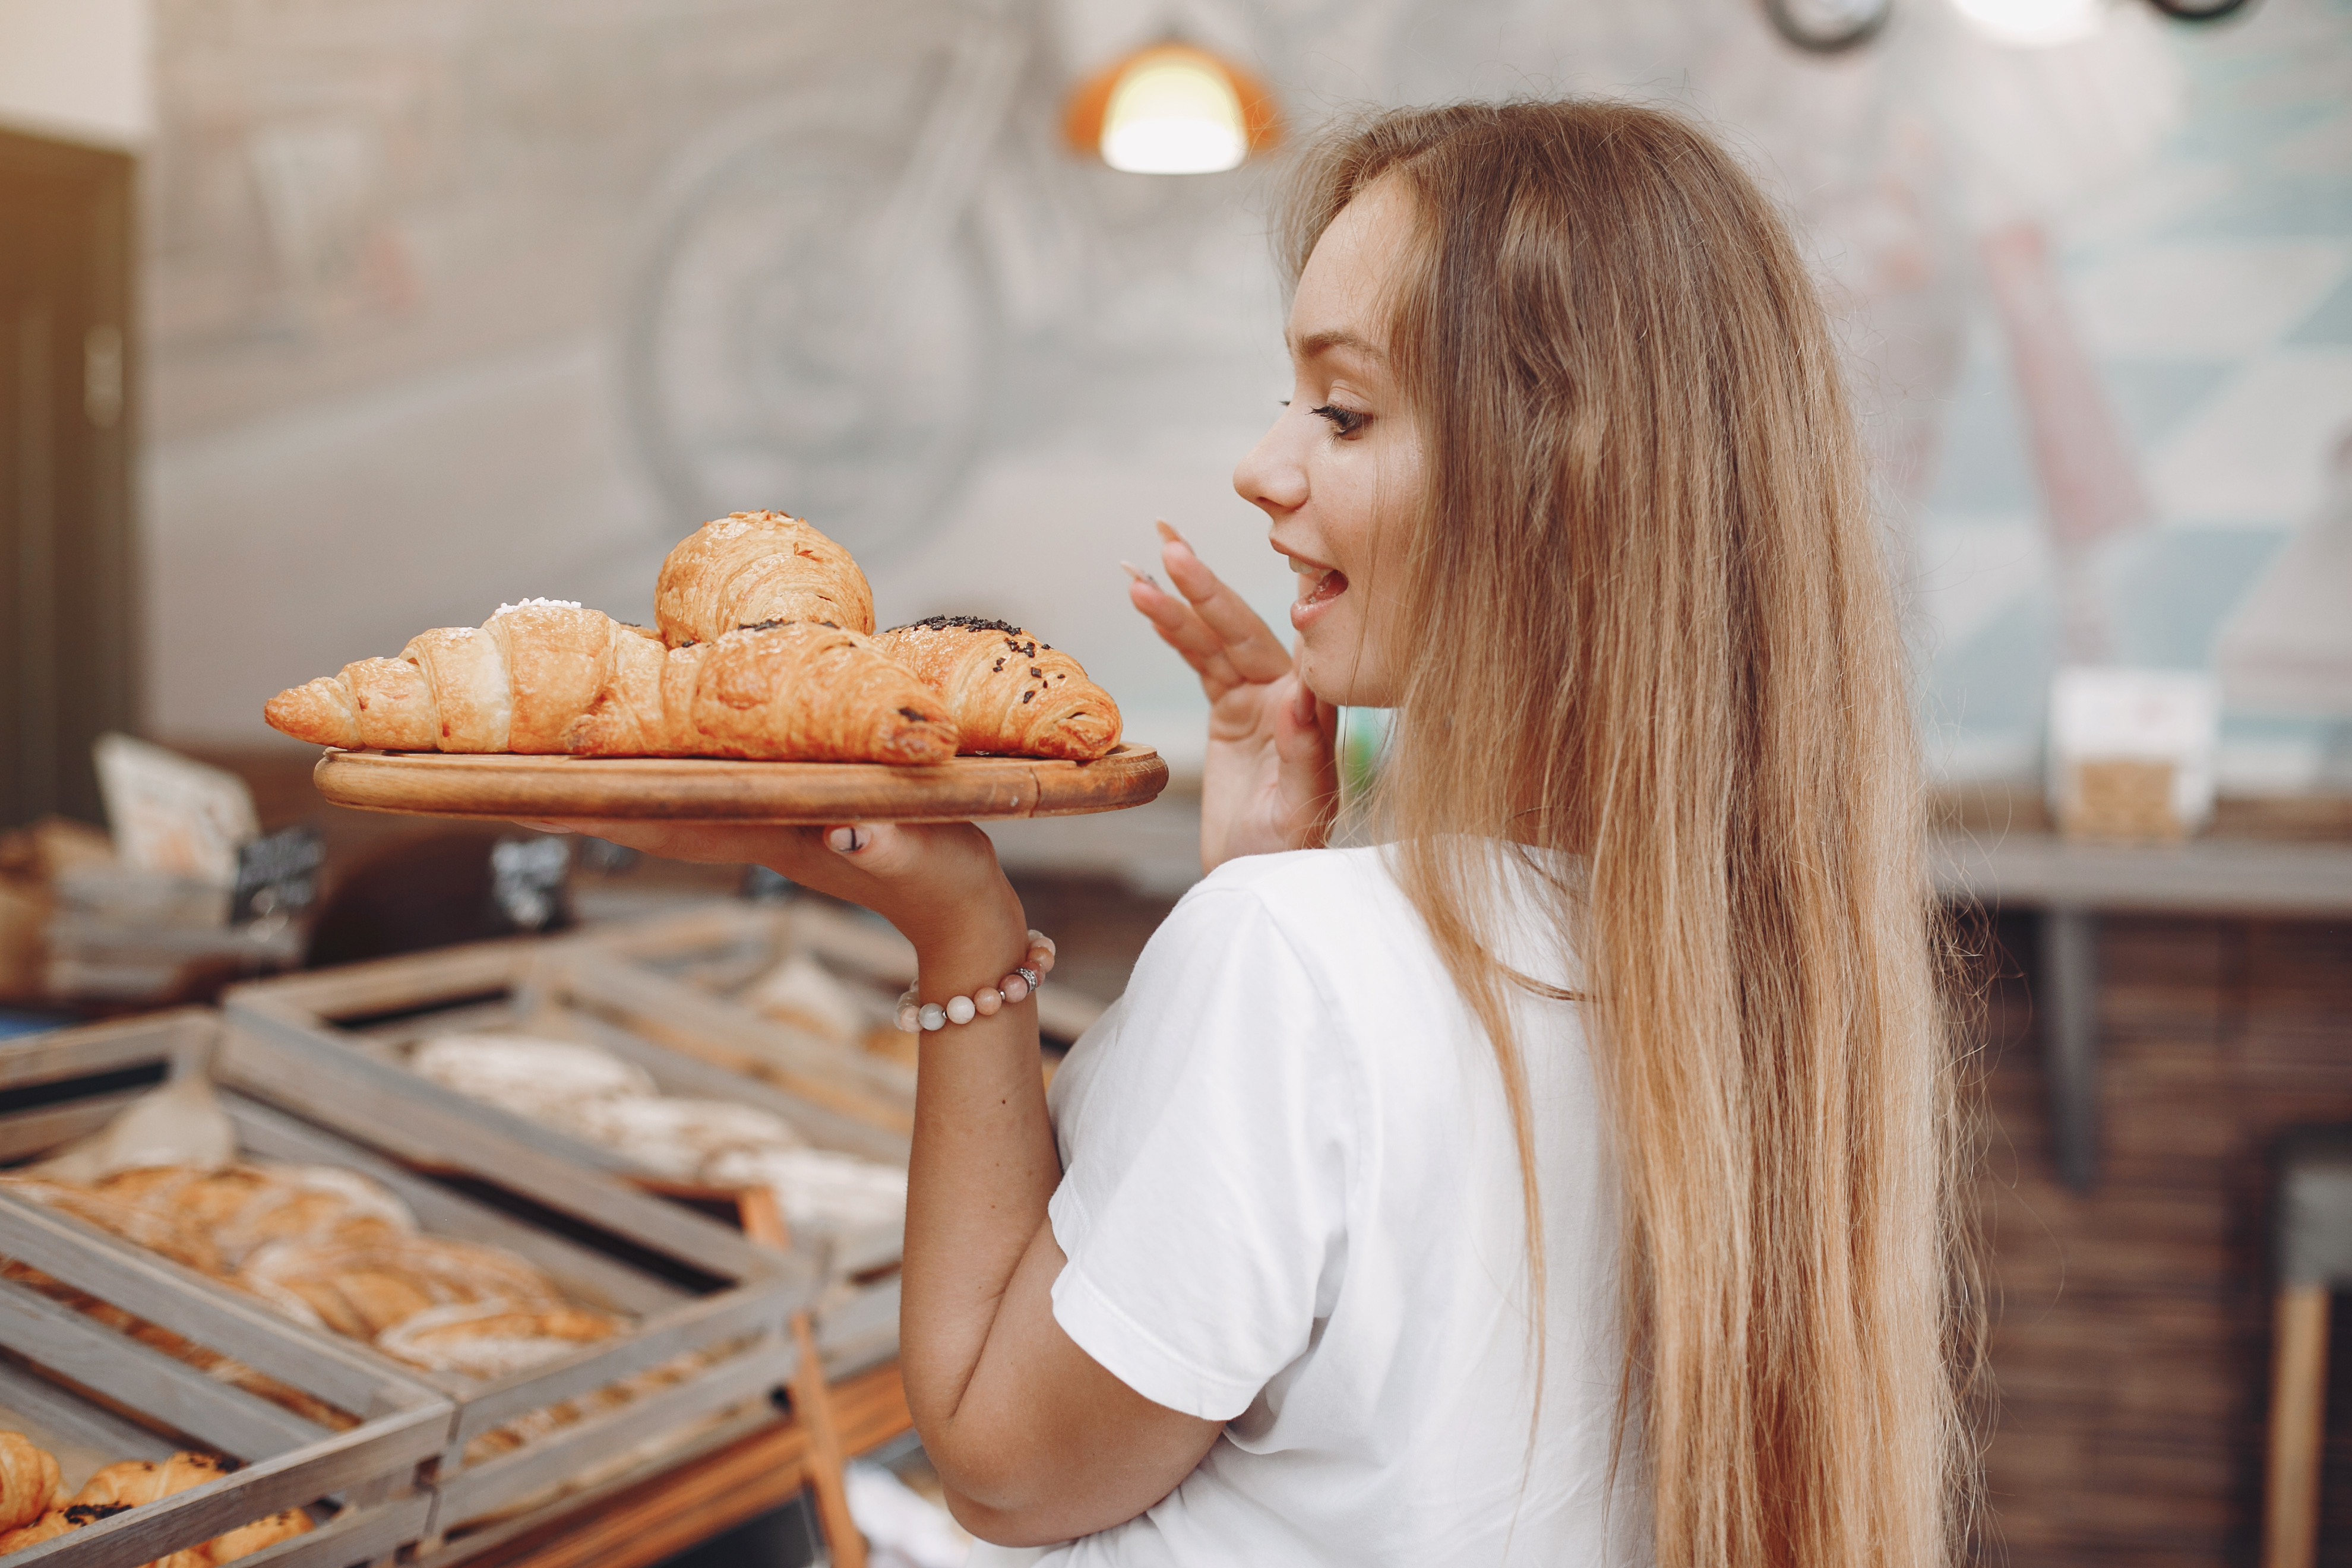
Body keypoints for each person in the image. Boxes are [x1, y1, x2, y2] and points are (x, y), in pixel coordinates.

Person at [559, 100, 1971, 1567]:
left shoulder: (1303, 964)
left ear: (1562, 485)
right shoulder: (1779, 981)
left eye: (1344, 413)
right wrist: (1273, 880)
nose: (1263, 468)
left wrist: (965, 937)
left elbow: (1003, 1464)